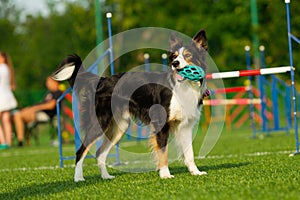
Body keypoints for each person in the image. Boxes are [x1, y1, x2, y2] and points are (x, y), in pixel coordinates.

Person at [14, 77, 62, 146]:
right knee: (18, 114)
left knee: (18, 116)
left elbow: (51, 105)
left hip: (45, 114)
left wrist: (35, 108)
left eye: (49, 82)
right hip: (38, 112)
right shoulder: (48, 93)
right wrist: (30, 108)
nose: (47, 84)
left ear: (55, 82)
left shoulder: (58, 93)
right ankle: (22, 140)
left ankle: (21, 141)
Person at [0, 51, 17, 149]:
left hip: (1, 96)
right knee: (6, 120)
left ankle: (3, 141)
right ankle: (9, 143)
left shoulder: (1, 68)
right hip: (7, 95)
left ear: (3, 58)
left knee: (5, 120)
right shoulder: (7, 68)